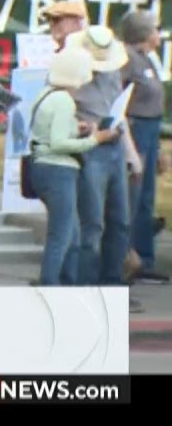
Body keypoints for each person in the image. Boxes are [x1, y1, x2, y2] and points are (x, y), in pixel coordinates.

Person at [28, 47, 116, 286]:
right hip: (58, 170)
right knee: (62, 235)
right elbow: (57, 143)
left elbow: (48, 132)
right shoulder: (64, 100)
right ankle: (51, 284)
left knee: (72, 235)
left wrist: (77, 129)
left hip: (43, 167)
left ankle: (67, 282)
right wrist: (94, 140)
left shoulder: (46, 94)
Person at [67, 26, 131, 288]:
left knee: (120, 220)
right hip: (90, 146)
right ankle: (87, 284)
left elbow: (120, 108)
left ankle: (111, 282)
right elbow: (60, 113)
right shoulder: (71, 76)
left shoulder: (113, 72)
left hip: (113, 142)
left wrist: (128, 150)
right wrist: (84, 126)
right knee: (92, 223)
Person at [120, 9, 169, 283]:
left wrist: (159, 148)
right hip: (136, 128)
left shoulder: (148, 59)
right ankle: (129, 257)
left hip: (150, 128)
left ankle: (145, 257)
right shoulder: (128, 60)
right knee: (134, 195)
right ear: (143, 33)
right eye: (154, 28)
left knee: (147, 195)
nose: (157, 33)